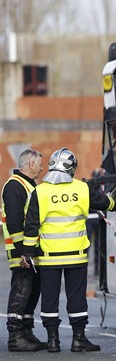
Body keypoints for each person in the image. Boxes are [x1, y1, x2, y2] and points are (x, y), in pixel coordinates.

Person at [22, 148, 116, 353]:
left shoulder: (40, 191)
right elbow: (105, 202)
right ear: (72, 168)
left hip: (48, 258)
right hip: (76, 256)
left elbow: (31, 226)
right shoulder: (82, 188)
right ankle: (78, 339)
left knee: (49, 299)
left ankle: (53, 341)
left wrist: (28, 253)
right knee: (77, 298)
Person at [2, 149, 46, 352]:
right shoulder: (14, 186)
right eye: (39, 163)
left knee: (31, 292)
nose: (42, 167)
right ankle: (15, 336)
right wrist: (24, 252)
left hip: (28, 252)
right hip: (21, 253)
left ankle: (26, 333)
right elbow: (14, 221)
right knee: (21, 291)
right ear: (30, 163)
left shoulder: (28, 185)